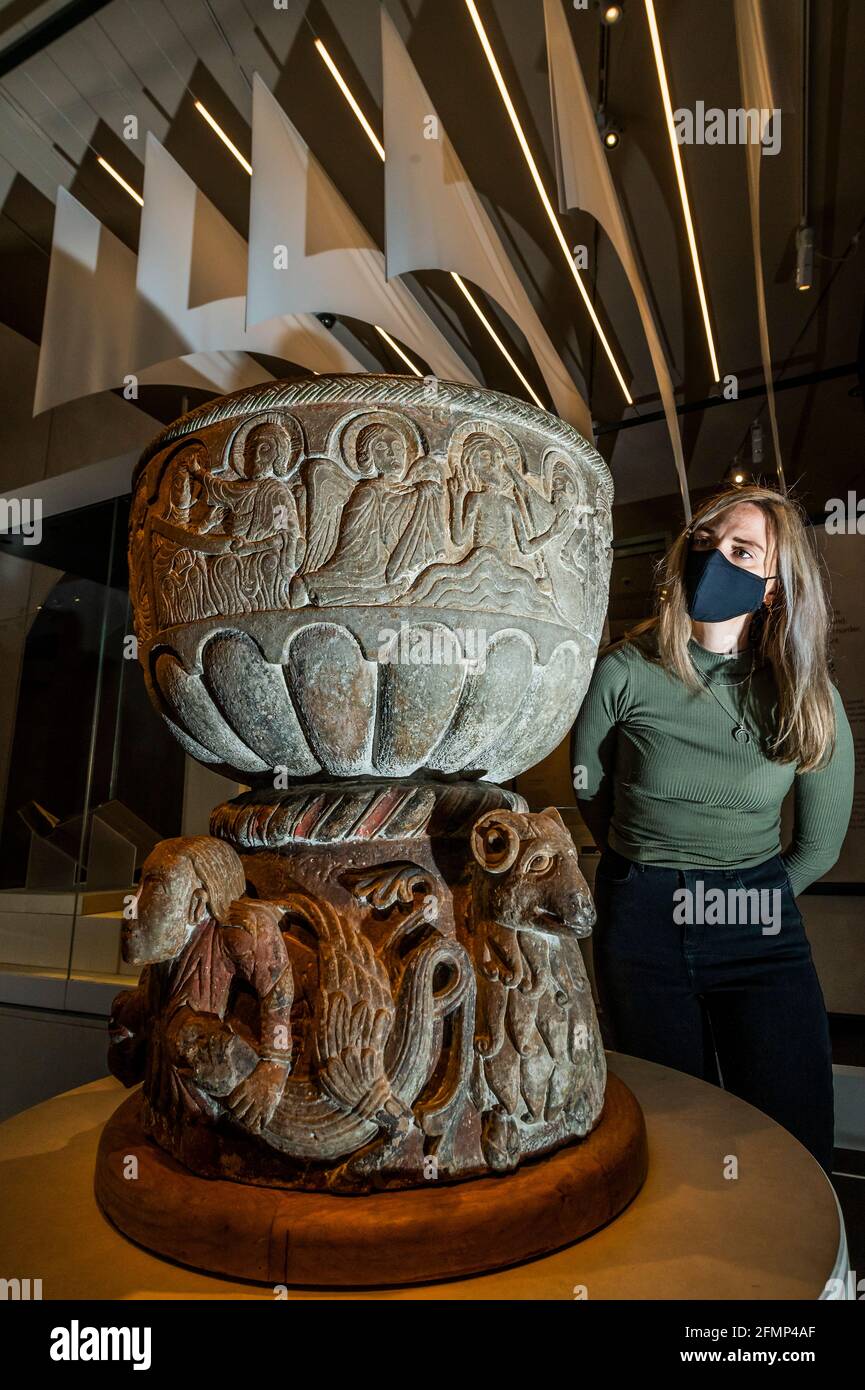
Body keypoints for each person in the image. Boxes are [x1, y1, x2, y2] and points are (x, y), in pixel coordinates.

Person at [571, 485, 854, 1174]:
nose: (712, 557)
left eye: (740, 550)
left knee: (792, 1135)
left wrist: (743, 896)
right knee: (670, 1134)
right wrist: (651, 871)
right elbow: (590, 790)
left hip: (755, 921)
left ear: (773, 587)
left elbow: (816, 845)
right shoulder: (623, 670)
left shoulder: (802, 693)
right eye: (703, 541)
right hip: (641, 917)